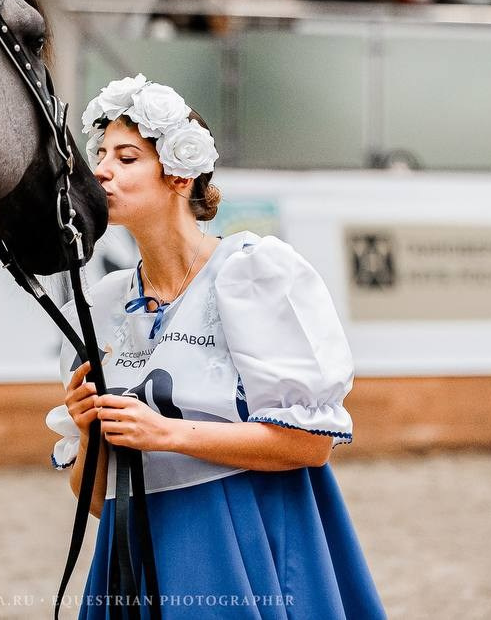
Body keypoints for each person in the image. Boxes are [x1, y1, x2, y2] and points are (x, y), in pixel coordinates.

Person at [46, 75, 385, 618]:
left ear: (179, 174)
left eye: (127, 157)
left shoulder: (252, 273)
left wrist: (167, 434)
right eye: (100, 154)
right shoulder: (106, 302)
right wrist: (88, 432)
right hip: (135, 553)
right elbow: (91, 500)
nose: (101, 170)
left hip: (242, 538)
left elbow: (310, 445)